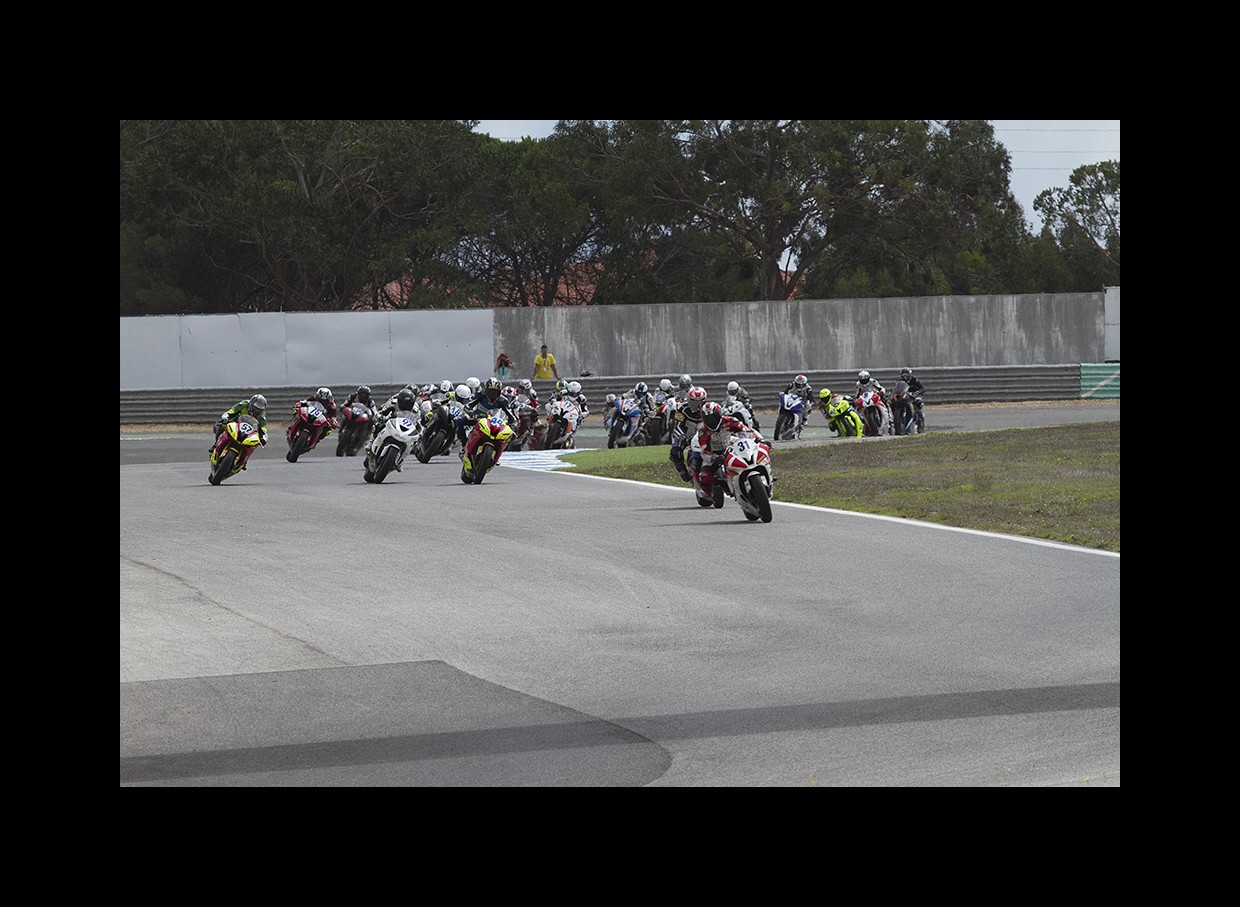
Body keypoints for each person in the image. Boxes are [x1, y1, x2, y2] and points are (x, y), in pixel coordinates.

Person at [688, 401, 768, 495]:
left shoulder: (730, 420)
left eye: (713, 418)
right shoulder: (703, 431)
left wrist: (760, 439)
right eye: (708, 419)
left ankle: (763, 474)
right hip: (714, 453)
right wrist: (714, 457)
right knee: (704, 477)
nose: (711, 421)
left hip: (731, 447)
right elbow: (704, 451)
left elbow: (748, 431)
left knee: (759, 452)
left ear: (719, 415)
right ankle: (722, 484)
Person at [668, 386, 707, 481]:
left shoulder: (709, 409)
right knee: (675, 452)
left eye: (700, 401)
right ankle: (683, 472)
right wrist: (683, 437)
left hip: (704, 434)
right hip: (687, 433)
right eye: (695, 401)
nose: (698, 404)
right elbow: (678, 425)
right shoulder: (682, 409)